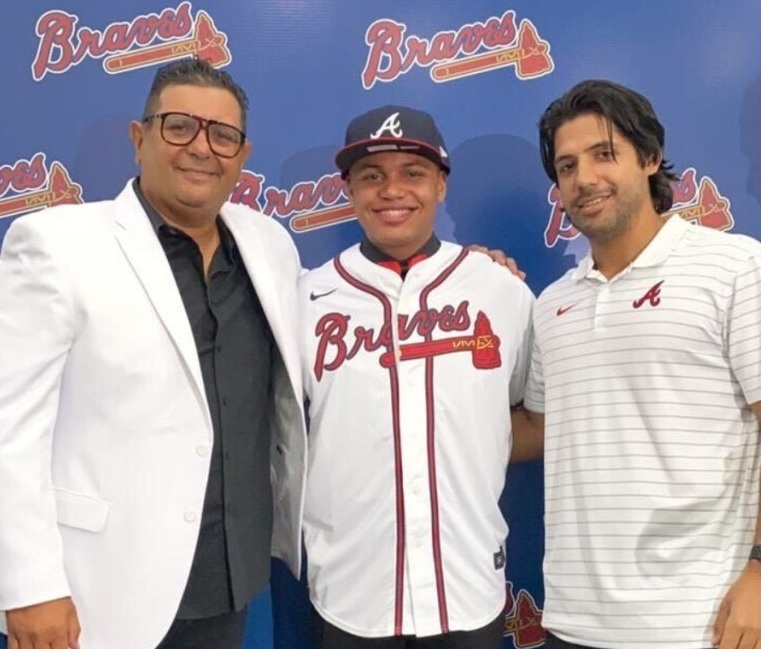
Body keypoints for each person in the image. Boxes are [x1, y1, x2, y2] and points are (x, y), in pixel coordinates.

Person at [0, 58, 307, 649]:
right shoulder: (56, 246)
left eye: (223, 135)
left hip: (229, 576)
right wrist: (30, 585)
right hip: (98, 592)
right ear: (139, 139)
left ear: (242, 155)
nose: (202, 148)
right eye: (179, 127)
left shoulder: (270, 245)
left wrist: (466, 272)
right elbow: (11, 429)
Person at [513, 79, 761, 649]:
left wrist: (759, 570)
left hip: (702, 623)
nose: (584, 179)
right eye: (567, 166)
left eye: (605, 154)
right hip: (576, 623)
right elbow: (539, 430)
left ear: (649, 158)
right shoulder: (554, 303)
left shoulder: (733, 268)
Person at [298, 105, 534, 649]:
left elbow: (526, 413)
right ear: (349, 190)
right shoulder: (304, 298)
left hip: (468, 582)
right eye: (371, 176)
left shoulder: (500, 291)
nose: (392, 191)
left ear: (441, 186)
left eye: (413, 173)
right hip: (351, 587)